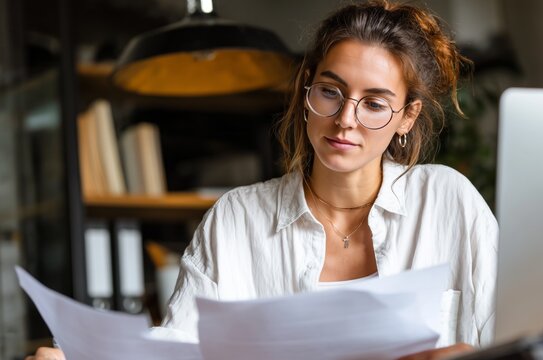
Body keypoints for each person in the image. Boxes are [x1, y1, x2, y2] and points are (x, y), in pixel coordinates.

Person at [27, 1, 497, 359]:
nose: (345, 120)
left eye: (374, 103)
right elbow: (181, 348)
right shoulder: (237, 218)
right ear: (307, 87)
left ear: (406, 117)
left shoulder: (448, 201)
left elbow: (514, 334)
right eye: (331, 92)